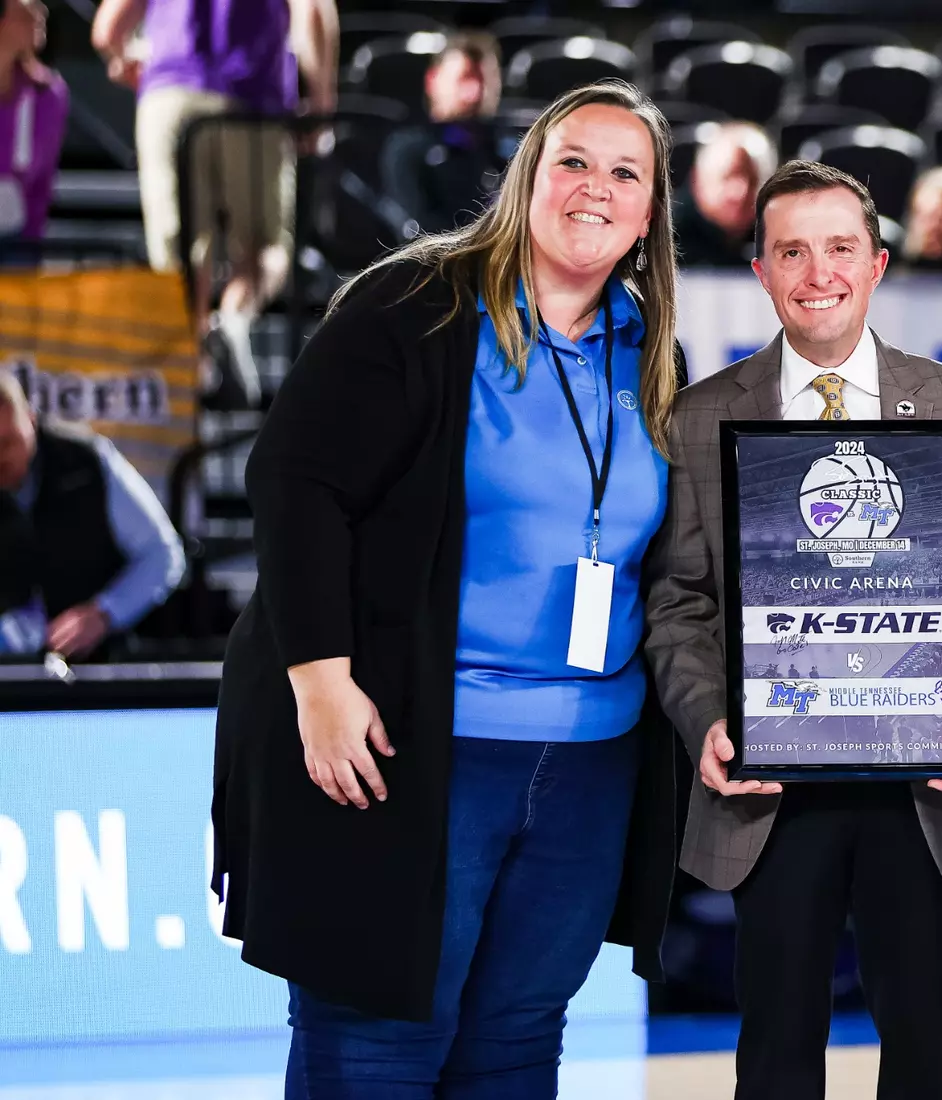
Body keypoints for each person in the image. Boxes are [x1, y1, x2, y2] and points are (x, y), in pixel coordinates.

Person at [210, 81, 683, 1095]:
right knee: (376, 1038)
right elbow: (295, 483)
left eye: (625, 173)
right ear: (526, 176)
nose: (595, 188)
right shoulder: (415, 303)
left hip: (589, 762)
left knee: (515, 1043)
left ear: (650, 213)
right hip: (411, 742)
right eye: (572, 161)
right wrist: (320, 683)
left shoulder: (651, 349)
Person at [644, 159, 942, 1100]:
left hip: (930, 784)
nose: (817, 272)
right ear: (760, 271)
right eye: (792, 251)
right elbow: (678, 601)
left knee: (929, 1060)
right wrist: (707, 719)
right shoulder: (699, 417)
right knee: (776, 1059)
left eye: (839, 248)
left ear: (877, 264)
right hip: (772, 785)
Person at [92, 0, 339, 409]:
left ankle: (195, 376)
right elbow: (312, 12)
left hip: (169, 95)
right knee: (266, 248)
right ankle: (233, 321)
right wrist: (321, 102)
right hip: (251, 93)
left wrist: (126, 58)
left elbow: (108, 29)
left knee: (180, 258)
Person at [0, 371, 185, 658]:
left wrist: (104, 612)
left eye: (8, 442)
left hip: (98, 667)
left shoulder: (88, 461)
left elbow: (162, 553)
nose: (1, 457)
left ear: (31, 420)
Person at [380, 33, 506, 239]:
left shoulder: (511, 149)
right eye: (465, 78)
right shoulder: (408, 151)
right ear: (433, 80)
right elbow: (415, 233)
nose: (474, 93)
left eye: (484, 80)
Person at [0, 0, 66, 253]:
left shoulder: (47, 94)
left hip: (19, 244)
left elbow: (41, 183)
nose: (40, 11)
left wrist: (31, 245)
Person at [672, 122, 776, 268]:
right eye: (729, 177)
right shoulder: (662, 239)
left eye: (754, 180)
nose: (741, 192)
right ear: (698, 179)